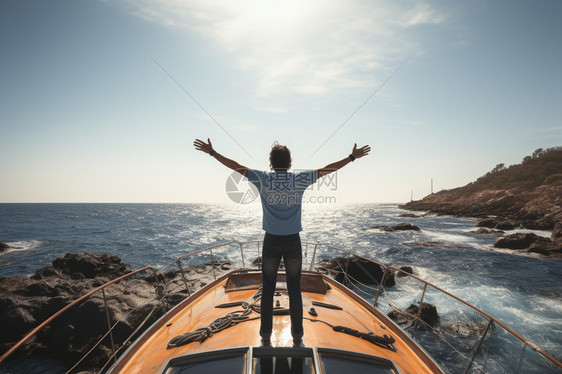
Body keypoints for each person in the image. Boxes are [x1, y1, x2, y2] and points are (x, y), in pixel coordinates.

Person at [193, 138, 370, 345]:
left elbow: (235, 166)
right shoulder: (300, 179)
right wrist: (351, 157)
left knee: (267, 288)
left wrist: (212, 152)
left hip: (271, 241)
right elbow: (327, 169)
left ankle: (266, 336)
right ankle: (297, 336)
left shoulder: (262, 179)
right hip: (293, 241)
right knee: (295, 289)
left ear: (271, 162)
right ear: (290, 162)